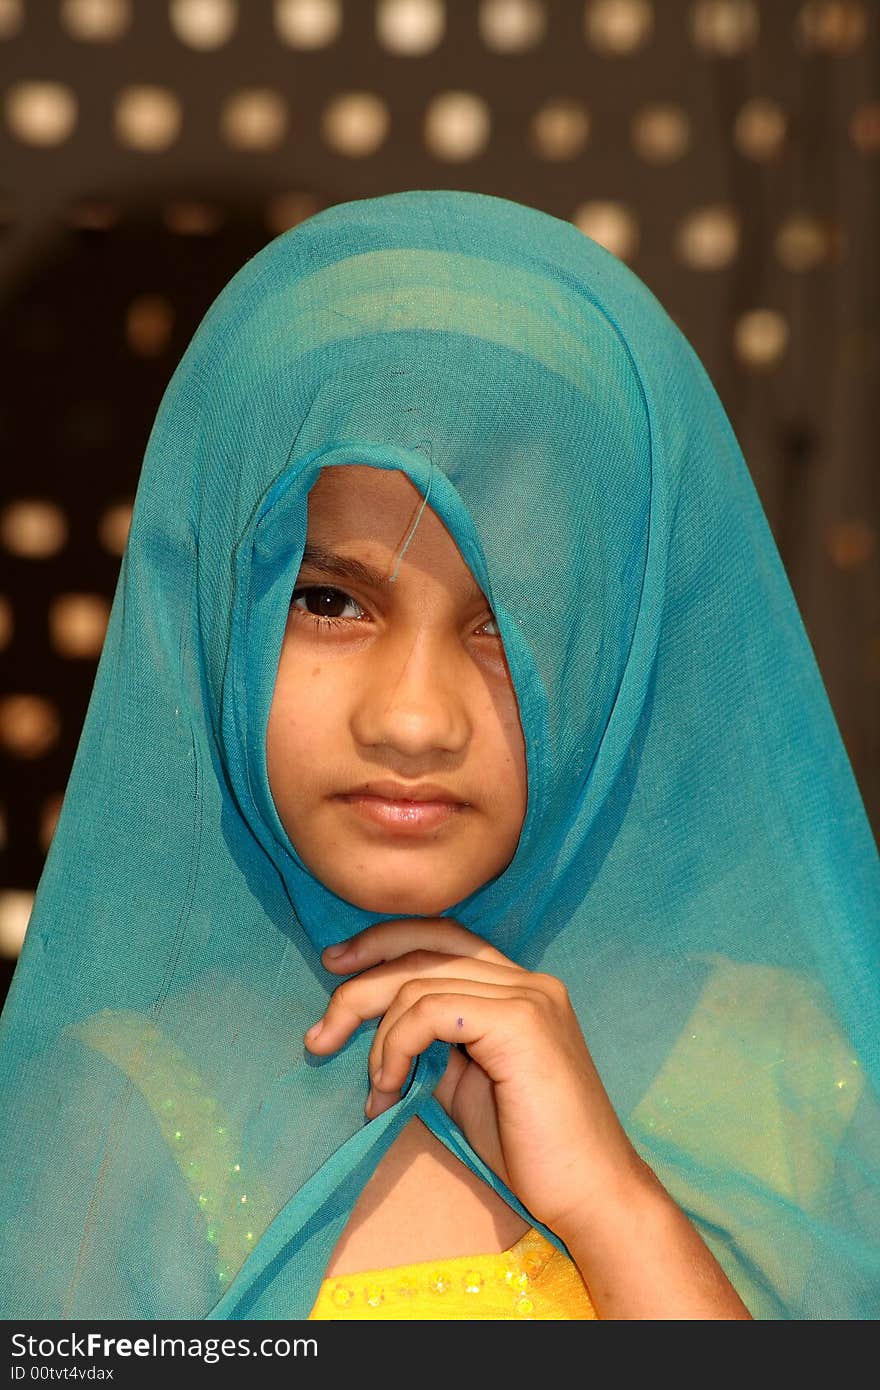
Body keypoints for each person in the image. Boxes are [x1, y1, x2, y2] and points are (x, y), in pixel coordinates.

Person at [0, 190, 877, 1321]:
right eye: (327, 599)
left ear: (617, 652)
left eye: (514, 622)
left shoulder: (798, 1075)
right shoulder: (107, 1118)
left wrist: (619, 1208)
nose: (413, 721)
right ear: (223, 606)